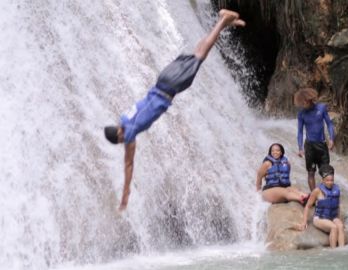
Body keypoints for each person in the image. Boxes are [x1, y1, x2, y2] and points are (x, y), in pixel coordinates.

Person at [104, 10, 246, 211]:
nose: (124, 143)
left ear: (119, 135)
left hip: (170, 87)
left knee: (201, 55)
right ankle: (225, 23)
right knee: (197, 53)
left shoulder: (129, 133)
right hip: (163, 79)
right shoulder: (124, 118)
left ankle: (223, 18)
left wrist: (126, 193)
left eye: (120, 140)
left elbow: (129, 164)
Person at [294, 88, 335, 191]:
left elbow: (329, 124)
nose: (302, 105)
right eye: (301, 103)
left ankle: (328, 193)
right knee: (311, 172)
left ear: (309, 99)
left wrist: (331, 139)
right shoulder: (301, 114)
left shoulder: (321, 108)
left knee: (326, 171)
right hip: (310, 147)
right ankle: (314, 196)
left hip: (321, 145)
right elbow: (300, 131)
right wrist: (300, 148)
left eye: (303, 102)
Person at [299, 164, 345, 248]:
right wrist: (304, 222)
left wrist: (338, 218)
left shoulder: (336, 189)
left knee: (340, 226)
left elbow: (337, 206)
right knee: (334, 227)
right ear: (323, 180)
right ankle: (334, 251)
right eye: (327, 180)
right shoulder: (317, 191)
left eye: (332, 180)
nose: (330, 182)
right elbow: (308, 206)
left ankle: (342, 250)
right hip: (319, 218)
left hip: (332, 217)